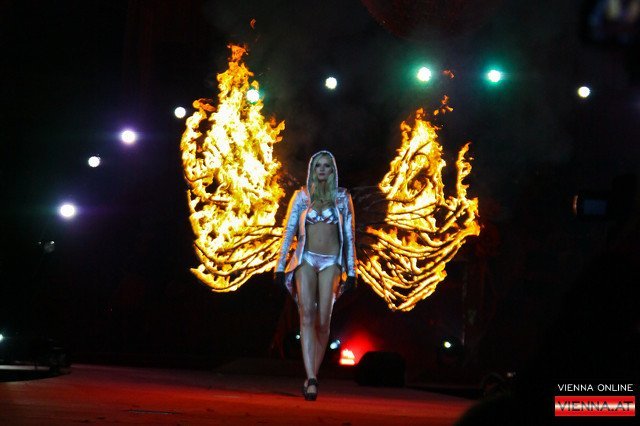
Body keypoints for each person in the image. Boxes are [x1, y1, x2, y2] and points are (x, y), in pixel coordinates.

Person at [274, 150, 357, 401]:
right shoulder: (301, 197)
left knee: (323, 320)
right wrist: (280, 267)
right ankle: (311, 378)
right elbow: (288, 231)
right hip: (306, 259)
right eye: (318, 165)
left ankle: (313, 373)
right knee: (307, 314)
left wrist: (352, 271)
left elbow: (350, 235)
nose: (322, 169)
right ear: (312, 169)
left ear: (332, 170)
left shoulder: (342, 198)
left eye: (326, 166)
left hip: (332, 262)